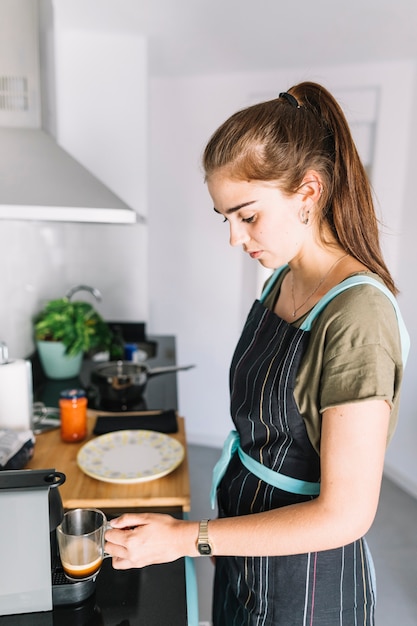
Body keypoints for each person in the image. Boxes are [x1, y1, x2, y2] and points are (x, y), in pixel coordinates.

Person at [104, 82, 409, 625]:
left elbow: (345, 515)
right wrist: (200, 537)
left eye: (246, 216)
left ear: (308, 192)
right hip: (242, 546)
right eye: (224, 218)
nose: (234, 238)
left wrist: (186, 538)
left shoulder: (358, 317)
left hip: (308, 585)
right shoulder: (280, 280)